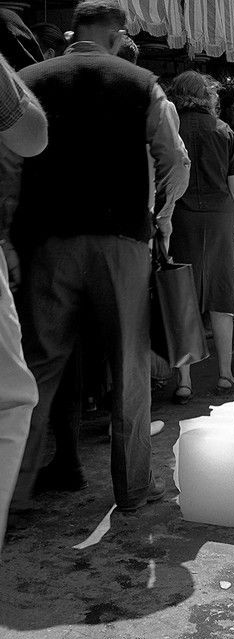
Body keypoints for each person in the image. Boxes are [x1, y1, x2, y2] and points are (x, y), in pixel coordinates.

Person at [10, 0, 190, 514]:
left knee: (41, 367)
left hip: (48, 242)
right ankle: (132, 489)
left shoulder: (28, 78)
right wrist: (157, 213)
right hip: (121, 243)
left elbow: (9, 166)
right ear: (118, 36)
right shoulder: (139, 83)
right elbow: (174, 161)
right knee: (129, 364)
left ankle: (15, 492)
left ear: (73, 33)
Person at [167, 71, 234, 402]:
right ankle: (225, 374)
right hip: (220, 220)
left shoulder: (170, 127)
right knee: (221, 297)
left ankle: (184, 380)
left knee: (181, 295)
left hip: (180, 218)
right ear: (207, 96)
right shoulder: (224, 130)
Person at [0, 50, 45, 551]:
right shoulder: (142, 87)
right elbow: (30, 132)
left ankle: (29, 484)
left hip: (37, 240)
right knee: (10, 399)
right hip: (116, 238)